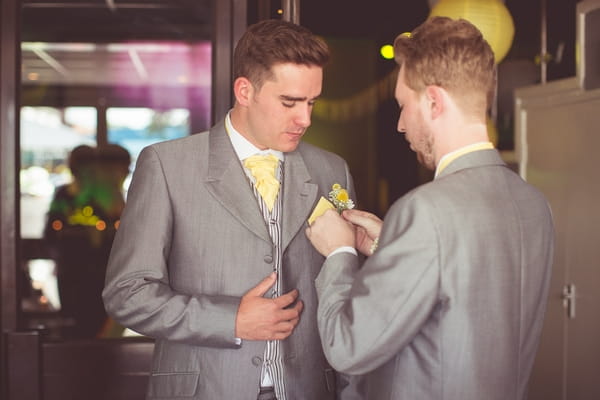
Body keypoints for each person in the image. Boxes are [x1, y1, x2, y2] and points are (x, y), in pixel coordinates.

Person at [103, 19, 361, 400]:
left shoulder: (331, 169)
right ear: (244, 90)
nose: (304, 119)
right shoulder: (166, 165)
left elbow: (348, 287)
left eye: (311, 103)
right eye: (289, 103)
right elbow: (127, 294)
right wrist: (230, 320)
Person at [305, 16, 554, 400]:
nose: (401, 124)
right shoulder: (534, 203)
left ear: (434, 101)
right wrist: (393, 245)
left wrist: (339, 253)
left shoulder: (425, 210)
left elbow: (347, 348)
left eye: (404, 106)